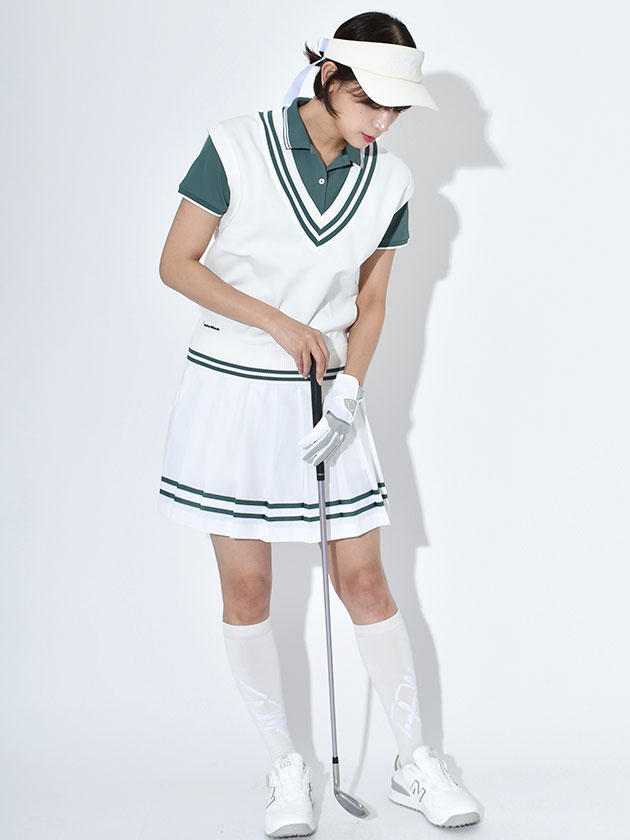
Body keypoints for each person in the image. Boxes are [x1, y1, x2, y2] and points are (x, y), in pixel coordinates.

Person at [157, 11, 482, 837]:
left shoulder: (391, 180)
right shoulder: (235, 145)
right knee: (248, 589)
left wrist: (351, 389)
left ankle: (413, 761)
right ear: (330, 79)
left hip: (329, 398)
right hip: (234, 393)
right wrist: (279, 323)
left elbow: (372, 300)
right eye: (373, 102)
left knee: (365, 581)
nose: (385, 122)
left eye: (397, 108)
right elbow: (176, 264)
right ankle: (285, 768)